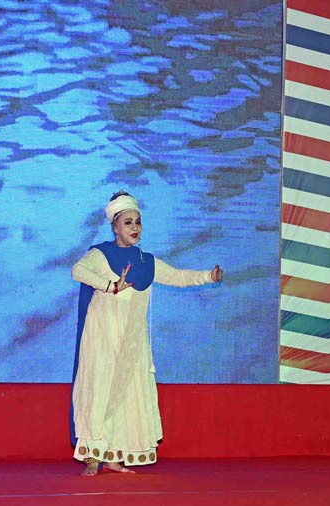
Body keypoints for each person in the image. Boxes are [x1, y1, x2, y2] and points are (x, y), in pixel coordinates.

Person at [71, 191, 223, 477]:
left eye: (138, 222)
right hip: (103, 336)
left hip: (133, 341)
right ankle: (93, 456)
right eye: (128, 222)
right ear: (115, 226)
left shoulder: (147, 262)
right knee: (99, 390)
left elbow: (178, 277)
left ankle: (113, 456)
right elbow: (78, 270)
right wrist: (111, 286)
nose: (135, 228)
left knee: (128, 395)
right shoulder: (100, 255)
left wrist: (208, 276)